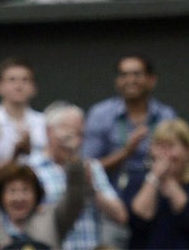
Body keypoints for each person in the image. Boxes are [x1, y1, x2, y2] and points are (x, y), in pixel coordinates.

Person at [28, 101, 128, 250]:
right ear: (49, 131)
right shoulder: (31, 169)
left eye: (80, 134)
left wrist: (93, 189)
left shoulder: (91, 167)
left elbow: (120, 215)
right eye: (69, 134)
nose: (75, 142)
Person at [83, 54, 177, 193]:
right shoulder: (100, 115)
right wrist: (125, 152)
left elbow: (180, 162)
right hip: (113, 194)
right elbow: (87, 167)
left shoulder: (166, 115)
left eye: (137, 74)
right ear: (117, 81)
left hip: (158, 193)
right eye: (124, 75)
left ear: (152, 80)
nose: (130, 80)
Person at [123, 117, 189, 249]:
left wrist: (169, 181)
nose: (165, 155)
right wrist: (155, 177)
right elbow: (137, 219)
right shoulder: (137, 182)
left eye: (171, 146)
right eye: (160, 146)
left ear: (188, 151)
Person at [0, 162, 86, 250]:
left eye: (25, 190)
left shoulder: (51, 217)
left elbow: (74, 200)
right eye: (12, 191)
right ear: (1, 196)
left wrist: (73, 162)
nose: (19, 198)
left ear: (36, 194)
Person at [0, 58, 48, 185]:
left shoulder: (44, 123)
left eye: (25, 80)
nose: (18, 86)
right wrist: (13, 158)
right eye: (12, 80)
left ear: (34, 88)